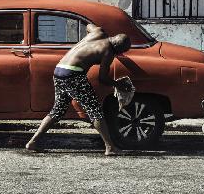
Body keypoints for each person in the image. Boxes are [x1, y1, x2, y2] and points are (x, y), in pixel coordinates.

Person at [25, 24, 132, 155]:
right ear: (117, 49)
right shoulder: (108, 52)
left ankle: (33, 142)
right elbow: (102, 78)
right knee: (95, 110)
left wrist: (87, 40)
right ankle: (110, 147)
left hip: (59, 70)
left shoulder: (98, 32)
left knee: (57, 111)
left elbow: (88, 25)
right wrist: (117, 84)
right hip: (73, 75)